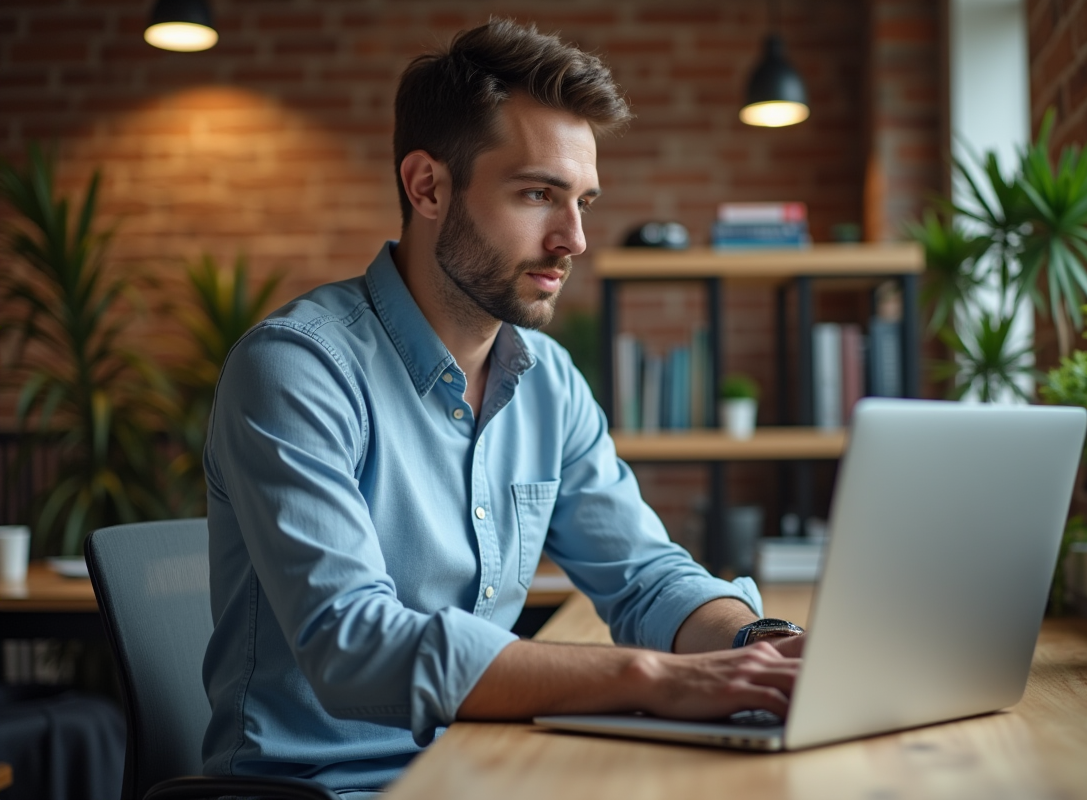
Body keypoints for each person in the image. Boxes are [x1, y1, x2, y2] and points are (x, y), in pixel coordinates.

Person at [201, 19, 804, 797]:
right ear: (427, 187)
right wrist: (653, 677)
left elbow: (647, 578)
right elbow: (354, 646)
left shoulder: (547, 380)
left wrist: (763, 645)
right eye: (537, 195)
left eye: (583, 201)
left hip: (483, 771)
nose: (575, 238)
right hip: (322, 787)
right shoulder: (296, 369)